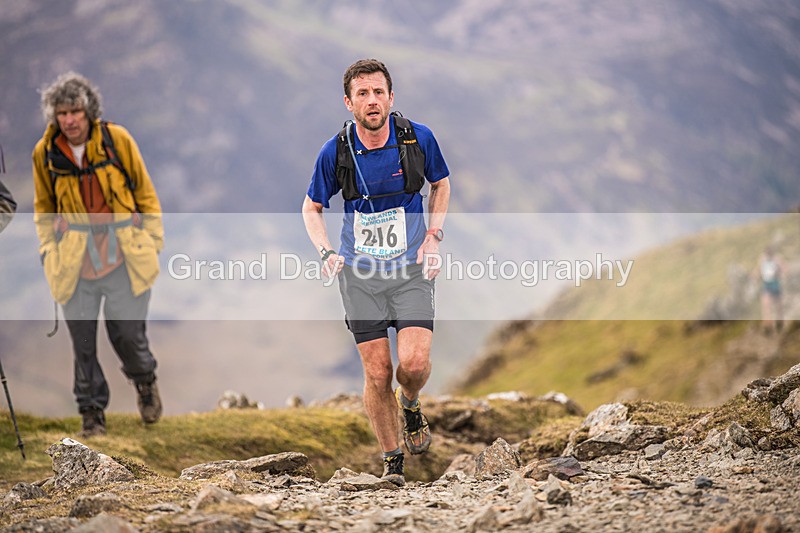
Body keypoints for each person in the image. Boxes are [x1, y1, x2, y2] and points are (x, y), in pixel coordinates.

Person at [302, 59, 451, 486]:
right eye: (362, 94)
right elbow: (312, 206)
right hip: (359, 276)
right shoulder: (336, 151)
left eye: (379, 92)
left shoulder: (418, 139)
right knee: (377, 372)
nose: (372, 101)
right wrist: (326, 250)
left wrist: (433, 237)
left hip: (411, 270)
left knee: (415, 364)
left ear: (391, 96)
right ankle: (393, 462)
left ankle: (411, 403)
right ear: (348, 102)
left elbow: (440, 183)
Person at [32, 72, 164, 437]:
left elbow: (146, 194)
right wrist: (48, 250)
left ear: (88, 110)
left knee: (127, 335)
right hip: (74, 262)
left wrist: (151, 241)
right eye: (62, 113)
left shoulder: (115, 140)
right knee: (83, 341)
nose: (69, 119)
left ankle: (145, 381)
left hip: (124, 255)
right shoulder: (45, 154)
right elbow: (43, 208)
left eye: (75, 110)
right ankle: (92, 416)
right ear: (54, 117)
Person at [756, 245, 786, 335]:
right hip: (766, 285)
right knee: (766, 306)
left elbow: (785, 269)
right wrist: (755, 276)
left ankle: (779, 323)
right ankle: (768, 327)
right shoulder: (762, 259)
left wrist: (780, 273)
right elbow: (758, 270)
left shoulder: (777, 259)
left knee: (778, 306)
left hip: (776, 284)